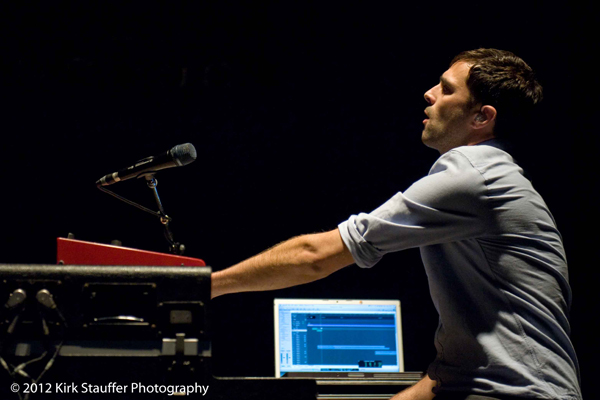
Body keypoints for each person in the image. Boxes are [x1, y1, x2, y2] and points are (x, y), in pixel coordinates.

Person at [211, 49, 582, 400]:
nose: (429, 93)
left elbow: (315, 256)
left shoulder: (474, 175)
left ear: (481, 118)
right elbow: (455, 371)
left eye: (446, 89)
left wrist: (204, 287)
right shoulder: (490, 175)